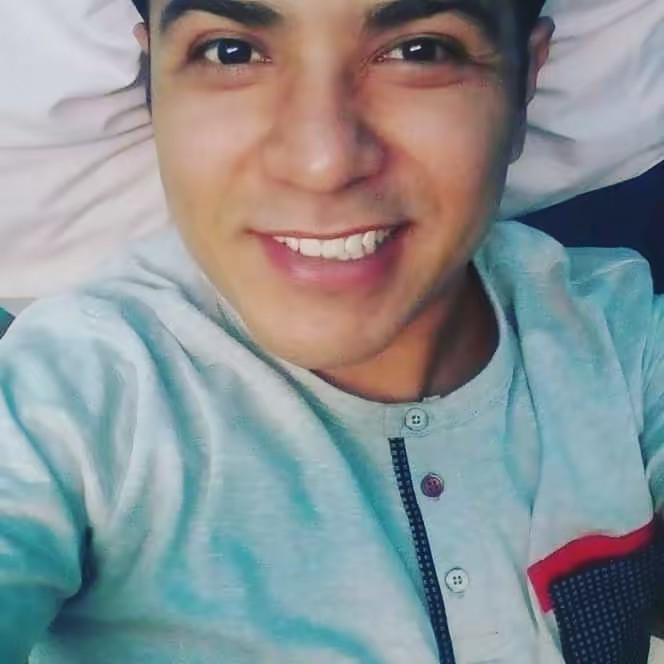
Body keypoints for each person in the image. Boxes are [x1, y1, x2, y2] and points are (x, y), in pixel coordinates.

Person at [0, 1, 662, 662]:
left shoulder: (619, 341)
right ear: (155, 88)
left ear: (524, 86)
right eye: (231, 52)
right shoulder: (75, 398)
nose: (323, 162)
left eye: (421, 51)